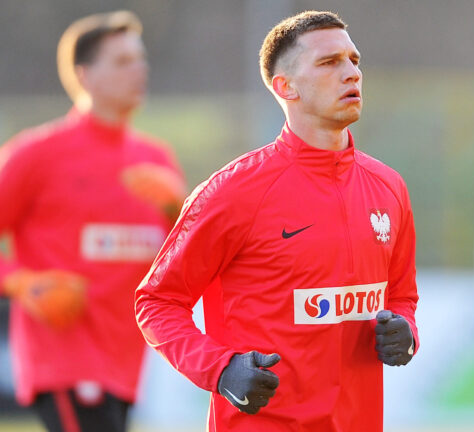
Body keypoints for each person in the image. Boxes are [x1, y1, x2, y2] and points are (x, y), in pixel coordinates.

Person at [135, 10, 418, 431]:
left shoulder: (388, 186)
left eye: (353, 60)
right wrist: (221, 368)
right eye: (328, 62)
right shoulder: (232, 192)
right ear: (286, 87)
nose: (350, 73)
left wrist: (406, 330)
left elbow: (401, 295)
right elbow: (156, 302)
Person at [0, 10, 186, 432]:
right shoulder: (36, 154)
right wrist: (21, 283)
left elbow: (181, 264)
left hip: (128, 362)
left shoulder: (156, 160)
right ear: (84, 75)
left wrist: (178, 211)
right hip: (65, 358)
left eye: (140, 59)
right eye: (123, 60)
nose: (140, 69)